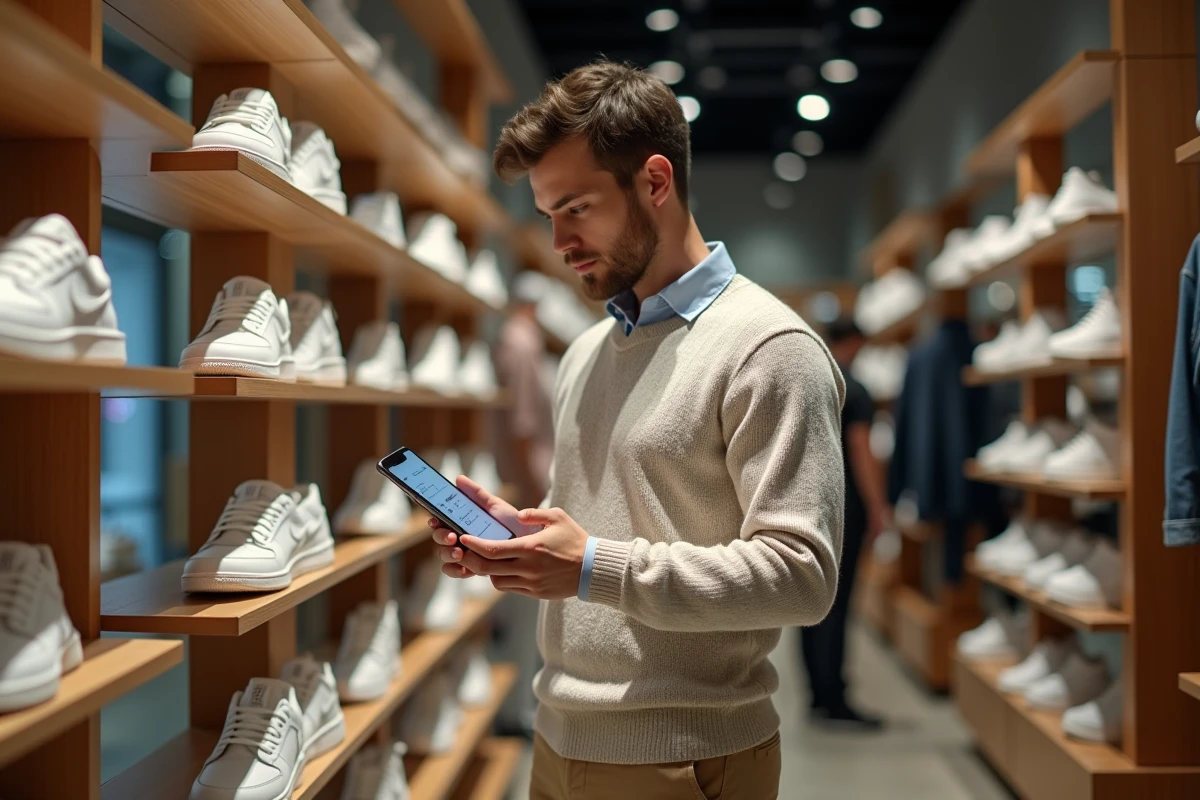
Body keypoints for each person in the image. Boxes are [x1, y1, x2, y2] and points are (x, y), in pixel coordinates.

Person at [429, 60, 845, 799]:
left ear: (655, 181)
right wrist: (521, 544)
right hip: (558, 735)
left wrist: (592, 566)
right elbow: (598, 535)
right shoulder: (588, 351)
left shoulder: (770, 348)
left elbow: (802, 576)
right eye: (547, 213)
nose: (558, 241)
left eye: (576, 208)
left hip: (682, 754)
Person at [800, 318, 890, 731]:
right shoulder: (855, 388)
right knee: (839, 601)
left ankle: (818, 692)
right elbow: (860, 448)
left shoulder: (810, 378)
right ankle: (834, 696)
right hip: (846, 504)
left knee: (811, 602)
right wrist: (877, 506)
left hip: (809, 503)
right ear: (852, 341)